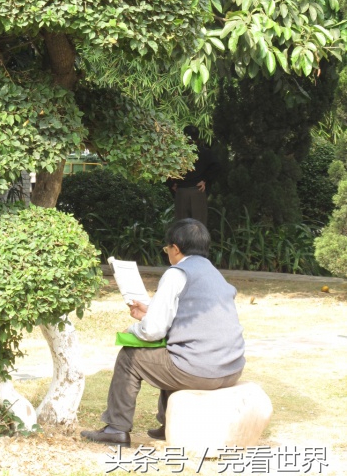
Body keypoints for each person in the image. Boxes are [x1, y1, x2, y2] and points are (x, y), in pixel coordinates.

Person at [81, 219, 245, 446]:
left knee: (130, 357)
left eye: (167, 248)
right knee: (172, 353)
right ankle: (169, 424)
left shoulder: (177, 273)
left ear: (175, 249)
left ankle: (116, 428)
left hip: (201, 370)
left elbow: (154, 330)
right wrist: (150, 312)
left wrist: (135, 328)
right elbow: (192, 318)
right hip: (231, 367)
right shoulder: (214, 273)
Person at [166, 125, 218, 226]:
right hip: (198, 191)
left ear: (183, 136)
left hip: (182, 192)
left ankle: (182, 242)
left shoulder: (176, 153)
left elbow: (163, 170)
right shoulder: (204, 152)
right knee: (198, 227)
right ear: (197, 136)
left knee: (182, 227)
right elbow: (216, 166)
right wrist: (205, 180)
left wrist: (171, 183)